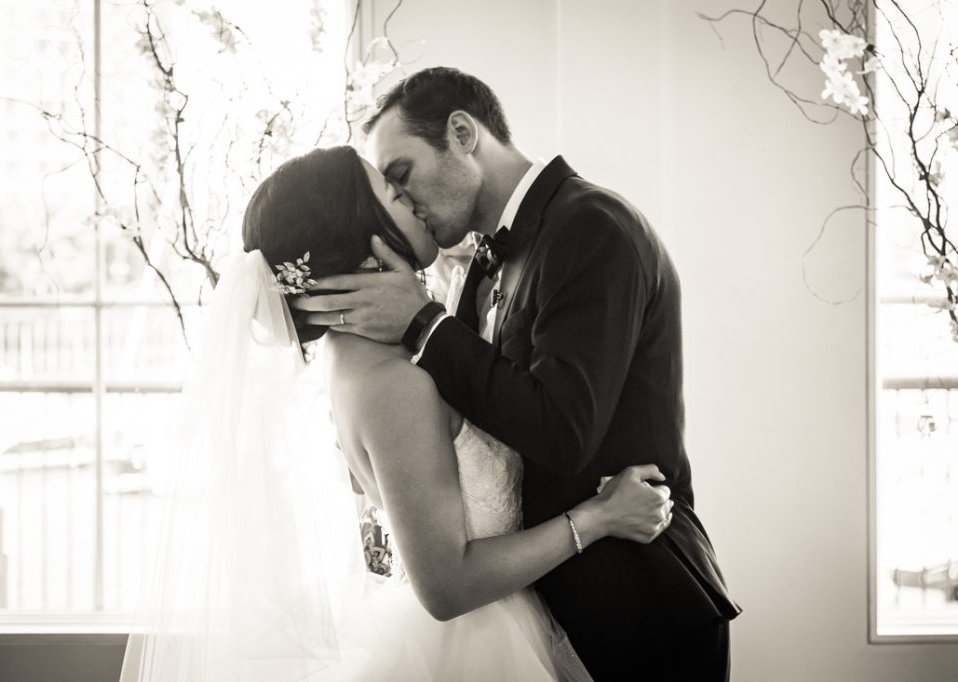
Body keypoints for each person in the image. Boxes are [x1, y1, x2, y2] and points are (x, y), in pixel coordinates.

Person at [120, 145, 676, 682]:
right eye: (391, 190)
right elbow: (447, 587)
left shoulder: (363, 352)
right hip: (477, 647)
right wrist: (599, 517)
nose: (410, 197)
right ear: (361, 234)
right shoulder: (393, 383)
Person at [292, 67, 743, 680]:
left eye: (402, 176)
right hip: (542, 614)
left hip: (637, 608)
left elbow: (563, 430)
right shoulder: (484, 260)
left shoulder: (591, 227)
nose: (406, 203)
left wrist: (424, 324)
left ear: (461, 133)